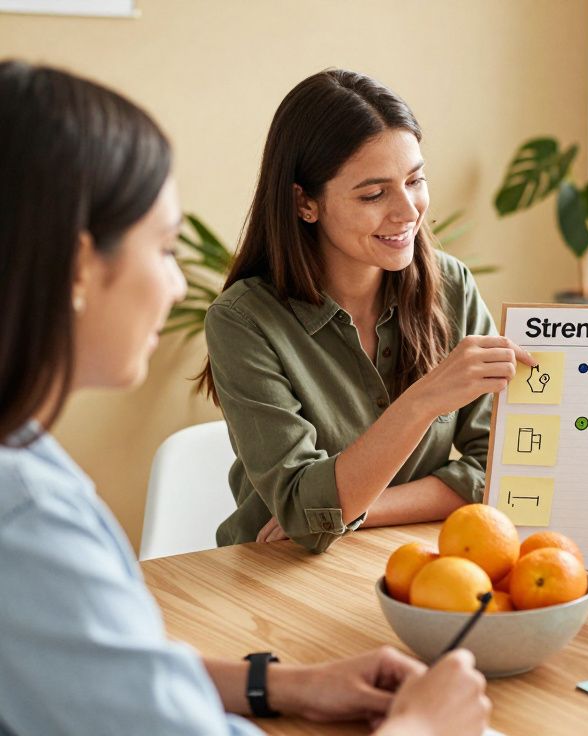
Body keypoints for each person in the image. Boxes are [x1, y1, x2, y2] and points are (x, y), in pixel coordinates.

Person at [0, 61, 490, 735]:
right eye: (166, 248)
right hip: (279, 598)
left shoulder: (26, 460)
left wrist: (282, 685)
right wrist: (423, 729)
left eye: (414, 180)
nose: (178, 285)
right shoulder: (28, 515)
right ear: (82, 265)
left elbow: (99, 664)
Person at [197, 69, 534, 553]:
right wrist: (422, 402)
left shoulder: (452, 286)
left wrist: (359, 510)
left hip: (407, 560)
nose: (407, 211)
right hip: (273, 575)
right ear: (305, 202)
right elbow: (301, 513)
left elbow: (499, 470)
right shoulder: (243, 322)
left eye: (415, 180)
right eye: (373, 194)